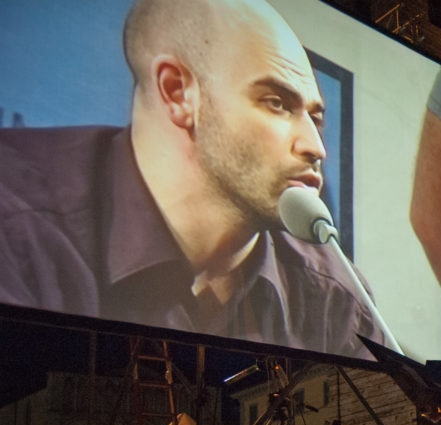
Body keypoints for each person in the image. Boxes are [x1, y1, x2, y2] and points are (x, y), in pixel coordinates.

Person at [0, 0, 386, 358]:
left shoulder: (334, 292)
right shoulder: (16, 224)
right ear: (178, 92)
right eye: (277, 103)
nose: (316, 148)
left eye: (316, 119)